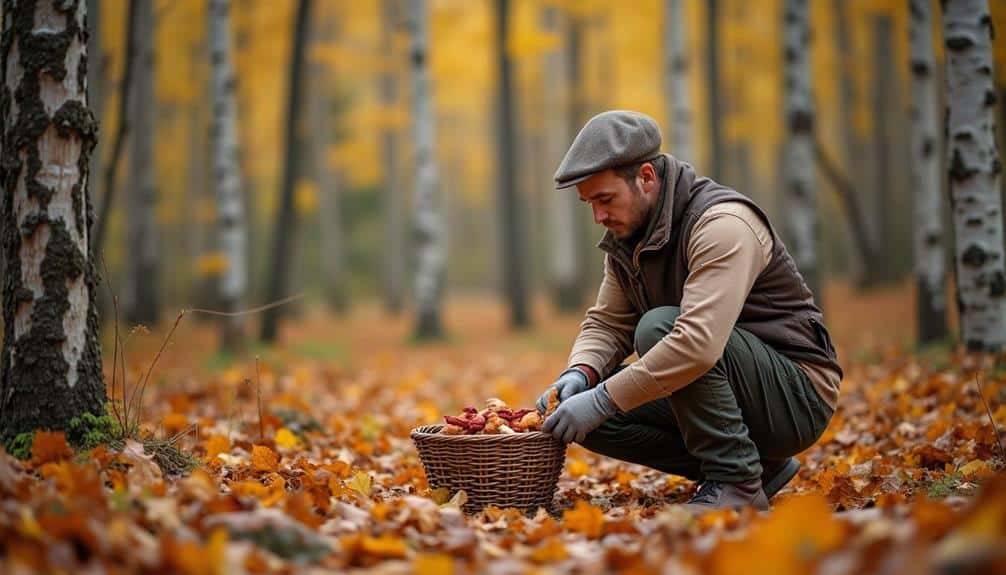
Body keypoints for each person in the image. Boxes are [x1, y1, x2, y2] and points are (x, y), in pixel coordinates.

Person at [537, 110, 842, 511]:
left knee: (658, 329)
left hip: (796, 395)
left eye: (605, 199)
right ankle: (757, 469)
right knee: (573, 415)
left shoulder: (722, 224)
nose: (598, 216)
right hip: (728, 385)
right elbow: (608, 323)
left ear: (646, 177)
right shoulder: (628, 236)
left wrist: (602, 399)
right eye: (589, 203)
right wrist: (580, 374)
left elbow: (696, 345)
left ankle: (738, 484)